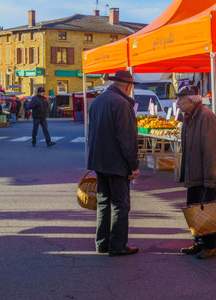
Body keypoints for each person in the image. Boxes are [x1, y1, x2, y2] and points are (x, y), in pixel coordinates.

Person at [87, 70, 140, 257]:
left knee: (103, 202)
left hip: (100, 161)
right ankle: (117, 245)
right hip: (116, 162)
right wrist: (133, 165)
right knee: (120, 204)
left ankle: (102, 242)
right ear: (128, 86)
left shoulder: (98, 101)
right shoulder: (122, 103)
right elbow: (127, 139)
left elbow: (92, 132)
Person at [178, 85, 216, 259]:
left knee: (207, 211)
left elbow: (211, 150)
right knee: (194, 210)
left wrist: (210, 178)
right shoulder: (189, 118)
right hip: (194, 174)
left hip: (204, 175)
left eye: (181, 100)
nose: (178, 104)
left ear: (191, 100)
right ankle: (199, 242)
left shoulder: (206, 117)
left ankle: (210, 246)